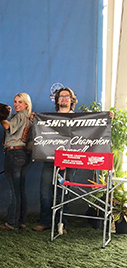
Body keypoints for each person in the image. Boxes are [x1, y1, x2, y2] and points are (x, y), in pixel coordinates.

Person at [33, 87, 78, 233]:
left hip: (69, 161)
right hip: (50, 160)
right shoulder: (49, 119)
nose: (64, 99)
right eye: (61, 96)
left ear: (72, 100)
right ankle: (45, 222)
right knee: (45, 192)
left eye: (67, 96)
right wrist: (34, 119)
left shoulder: (79, 120)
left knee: (64, 192)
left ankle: (61, 224)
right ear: (57, 100)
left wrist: (107, 117)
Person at [0, 93, 33, 231]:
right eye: (15, 101)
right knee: (20, 190)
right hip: (23, 153)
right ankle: (21, 220)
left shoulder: (20, 115)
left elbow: (8, 127)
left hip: (14, 153)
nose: (16, 104)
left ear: (26, 105)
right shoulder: (30, 118)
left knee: (14, 191)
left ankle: (12, 223)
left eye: (20, 102)